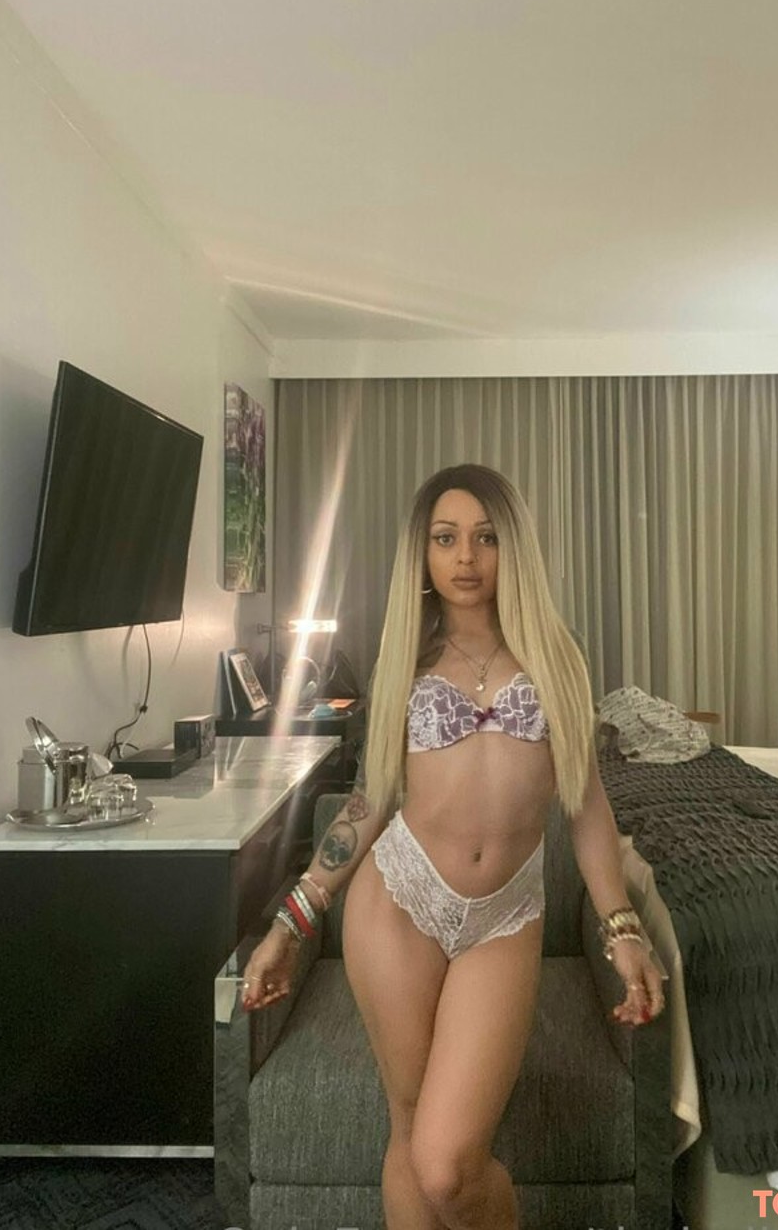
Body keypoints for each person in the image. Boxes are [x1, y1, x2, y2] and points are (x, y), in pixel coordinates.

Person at [241, 463, 666, 1230]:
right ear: (424, 553)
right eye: (445, 538)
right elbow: (369, 801)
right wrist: (291, 922)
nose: (465, 556)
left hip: (505, 917)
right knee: (410, 1133)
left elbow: (586, 802)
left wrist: (623, 926)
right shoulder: (407, 656)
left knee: (448, 1163)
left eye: (485, 537)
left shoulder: (557, 656)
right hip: (397, 904)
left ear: (513, 547)